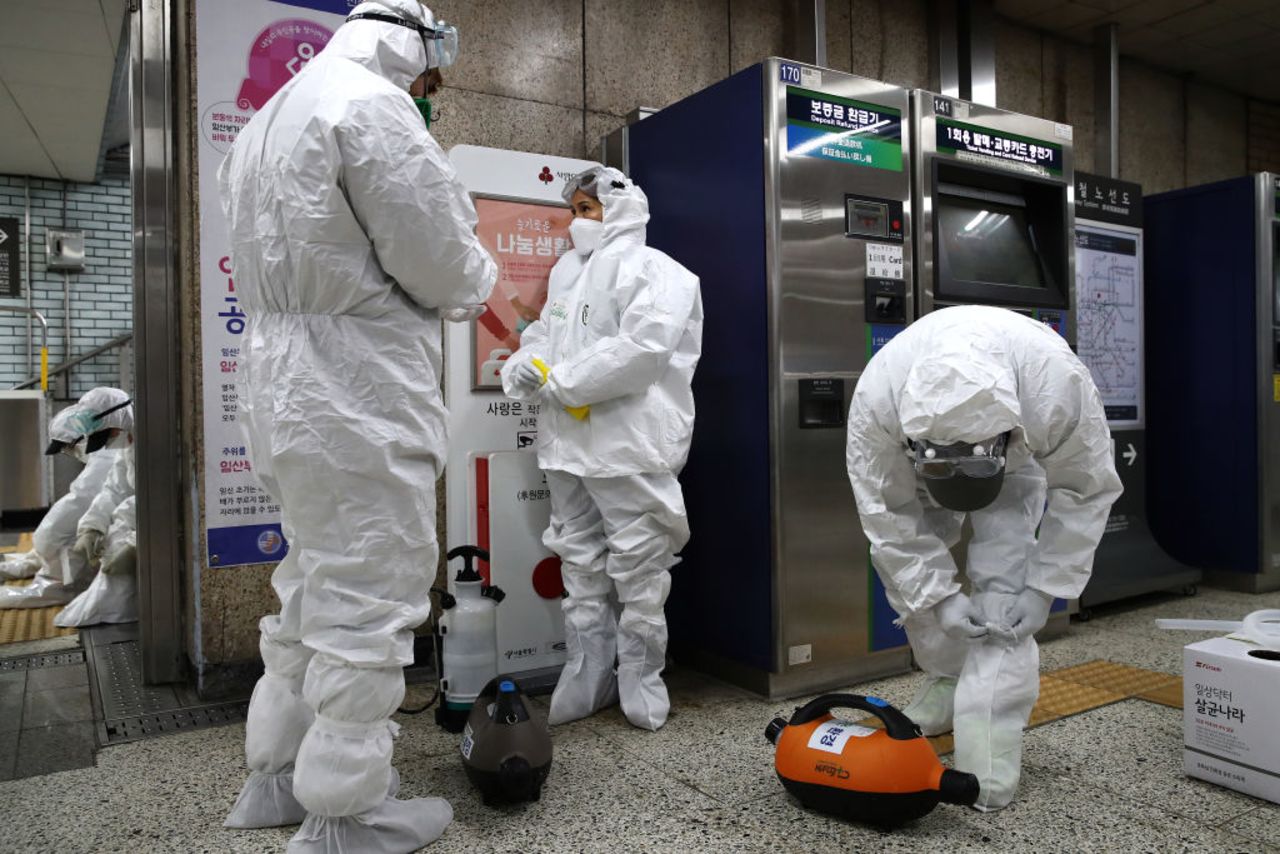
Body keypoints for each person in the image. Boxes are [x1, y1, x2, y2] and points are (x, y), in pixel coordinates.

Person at [217, 3, 497, 851]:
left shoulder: (266, 120)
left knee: (308, 583)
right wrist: (479, 275)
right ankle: (347, 812)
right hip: (356, 388)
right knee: (370, 594)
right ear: (413, 44)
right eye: (430, 72)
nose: (428, 89)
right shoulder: (370, 106)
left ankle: (276, 773)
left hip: (278, 389)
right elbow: (444, 265)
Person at [845, 305, 1122, 811]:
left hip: (1015, 462)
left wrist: (1042, 588)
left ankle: (989, 750)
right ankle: (948, 680)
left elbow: (1085, 487)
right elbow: (888, 515)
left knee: (1004, 598)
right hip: (917, 462)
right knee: (913, 582)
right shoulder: (880, 399)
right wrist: (938, 596)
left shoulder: (1053, 384)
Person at [500, 166, 703, 732]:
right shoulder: (567, 274)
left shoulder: (660, 272)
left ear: (621, 210)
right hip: (566, 445)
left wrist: (561, 382)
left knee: (640, 567)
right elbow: (546, 332)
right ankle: (588, 673)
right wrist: (524, 363)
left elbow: (643, 349)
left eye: (588, 210)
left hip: (627, 445)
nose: (577, 222)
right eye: (575, 211)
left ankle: (640, 676)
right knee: (579, 561)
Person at [0, 395, 122, 606]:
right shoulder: (106, 450)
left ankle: (58, 586)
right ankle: (31, 564)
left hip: (112, 530)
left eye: (69, 446)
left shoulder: (107, 456)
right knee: (52, 539)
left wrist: (49, 534)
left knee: (57, 538)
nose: (69, 452)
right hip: (106, 520)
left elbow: (82, 500)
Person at [55, 387, 138, 627]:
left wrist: (135, 544)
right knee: (114, 535)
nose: (110, 439)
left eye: (110, 433)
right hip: (137, 521)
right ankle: (112, 612)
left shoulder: (156, 437)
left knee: (120, 535)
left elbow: (162, 500)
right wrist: (92, 527)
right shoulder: (129, 442)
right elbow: (115, 487)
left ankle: (116, 615)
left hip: (152, 528)